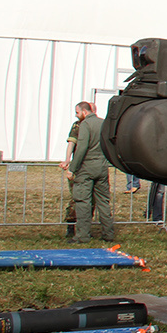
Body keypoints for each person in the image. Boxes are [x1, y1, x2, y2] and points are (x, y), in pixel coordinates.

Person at [62, 101, 114, 241]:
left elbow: (82, 148)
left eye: (77, 113)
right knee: (103, 202)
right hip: (102, 167)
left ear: (84, 112)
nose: (77, 115)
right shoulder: (103, 123)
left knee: (83, 202)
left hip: (86, 168)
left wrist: (72, 168)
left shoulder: (85, 124)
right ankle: (108, 234)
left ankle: (82, 235)